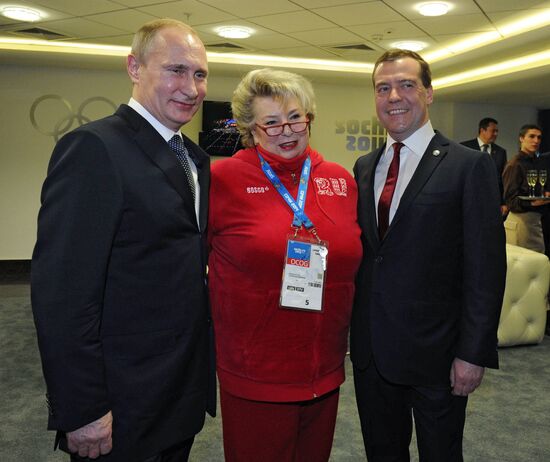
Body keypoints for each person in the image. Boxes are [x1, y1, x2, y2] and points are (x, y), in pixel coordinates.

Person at [31, 18, 215, 461]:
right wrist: (83, 408)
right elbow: (63, 294)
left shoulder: (195, 158)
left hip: (177, 398)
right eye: (175, 70)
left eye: (200, 74)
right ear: (134, 67)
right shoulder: (94, 149)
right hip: (119, 405)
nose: (190, 87)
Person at [351, 49, 506, 462]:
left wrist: (473, 353)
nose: (394, 96)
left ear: (429, 93)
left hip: (439, 357)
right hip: (373, 354)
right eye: (383, 88)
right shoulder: (364, 166)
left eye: (406, 85)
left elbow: (485, 270)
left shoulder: (468, 166)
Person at [208, 68, 362, 462]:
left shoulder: (340, 181)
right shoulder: (221, 180)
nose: (287, 130)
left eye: (295, 117)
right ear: (251, 129)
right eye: (271, 122)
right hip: (256, 374)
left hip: (324, 369)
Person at [502, 124, 550, 253]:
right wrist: (533, 202)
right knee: (522, 269)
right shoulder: (515, 164)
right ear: (521, 139)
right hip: (521, 222)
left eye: (539, 138)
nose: (536, 141)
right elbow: (510, 201)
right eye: (532, 136)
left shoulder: (537, 162)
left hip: (535, 221)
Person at [461, 117, 508, 216]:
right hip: (470, 198)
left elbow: (503, 179)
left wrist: (503, 202)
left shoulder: (501, 152)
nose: (496, 134)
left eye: (497, 131)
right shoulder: (465, 147)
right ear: (482, 130)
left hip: (493, 200)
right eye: (493, 131)